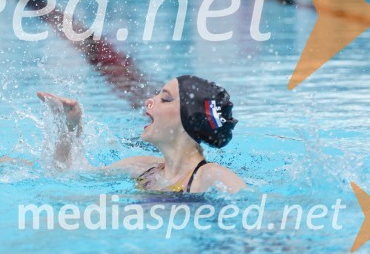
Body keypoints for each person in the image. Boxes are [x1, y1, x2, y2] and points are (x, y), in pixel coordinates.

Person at [42, 75, 245, 194]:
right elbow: (67, 174)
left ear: (190, 119)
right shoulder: (142, 167)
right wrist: (70, 126)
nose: (150, 100)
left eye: (165, 99)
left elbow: (255, 211)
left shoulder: (210, 175)